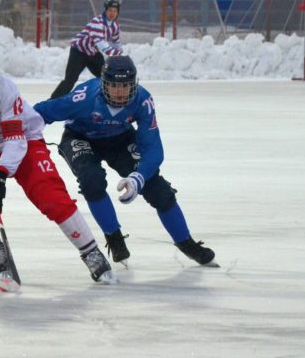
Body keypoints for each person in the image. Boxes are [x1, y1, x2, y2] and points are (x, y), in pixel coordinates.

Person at [0, 41, 117, 292]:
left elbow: (15, 139)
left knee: (50, 196)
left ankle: (91, 253)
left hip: (25, 143)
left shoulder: (5, 89)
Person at [33, 55, 217, 267]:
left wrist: (139, 177)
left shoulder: (143, 100)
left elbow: (153, 148)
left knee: (158, 190)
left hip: (120, 139)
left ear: (135, 84)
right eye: (113, 86)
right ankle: (114, 237)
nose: (120, 93)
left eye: (126, 86)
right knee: (91, 181)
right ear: (103, 85)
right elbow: (42, 111)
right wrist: (14, 135)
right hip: (80, 137)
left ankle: (186, 243)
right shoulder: (84, 97)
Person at [50, 0, 123, 99]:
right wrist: (115, 53)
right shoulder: (97, 22)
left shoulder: (115, 26)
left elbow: (116, 42)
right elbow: (100, 43)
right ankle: (52, 103)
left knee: (106, 77)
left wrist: (120, 54)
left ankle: (109, 100)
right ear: (105, 11)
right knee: (70, 80)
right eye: (110, 10)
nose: (112, 13)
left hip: (93, 53)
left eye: (115, 11)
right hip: (79, 52)